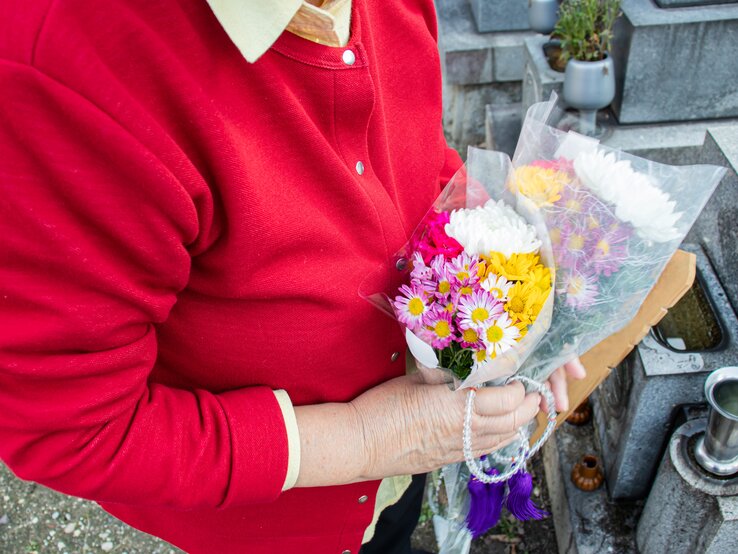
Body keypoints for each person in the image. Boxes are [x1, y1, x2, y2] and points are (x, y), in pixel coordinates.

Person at [0, 1, 586, 552]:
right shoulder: (65, 70)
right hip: (268, 517)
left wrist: (512, 287)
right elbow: (72, 429)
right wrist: (367, 438)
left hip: (401, 469)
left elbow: (415, 150)